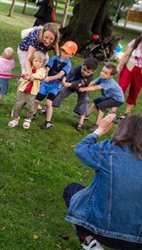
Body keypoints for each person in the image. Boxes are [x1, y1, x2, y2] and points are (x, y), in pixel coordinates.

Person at [63, 113, 142, 249]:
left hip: (99, 229)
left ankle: (89, 241)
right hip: (137, 240)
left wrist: (100, 130)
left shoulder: (109, 149)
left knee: (72, 190)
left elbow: (81, 150)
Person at [34, 41, 77, 130]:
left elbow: (60, 74)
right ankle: (32, 114)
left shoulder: (68, 64)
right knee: (36, 101)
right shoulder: (54, 58)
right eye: (63, 51)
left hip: (54, 86)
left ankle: (48, 122)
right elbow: (48, 67)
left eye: (67, 53)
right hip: (45, 84)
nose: (63, 54)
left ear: (71, 55)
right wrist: (45, 75)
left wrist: (50, 78)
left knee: (48, 103)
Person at [53, 58, 98, 132]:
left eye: (88, 72)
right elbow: (71, 73)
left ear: (93, 72)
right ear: (83, 64)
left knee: (85, 100)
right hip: (70, 84)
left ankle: (80, 122)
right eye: (84, 69)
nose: (85, 73)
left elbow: (80, 83)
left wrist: (70, 84)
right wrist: (65, 79)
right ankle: (48, 108)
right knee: (61, 92)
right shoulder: (78, 68)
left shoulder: (89, 77)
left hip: (82, 88)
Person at [79, 64, 125, 132]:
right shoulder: (102, 77)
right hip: (110, 97)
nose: (102, 73)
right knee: (96, 101)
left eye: (105, 73)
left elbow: (95, 88)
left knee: (102, 105)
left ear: (111, 76)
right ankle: (85, 115)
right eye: (102, 71)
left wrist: (84, 89)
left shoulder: (110, 82)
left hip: (118, 99)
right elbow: (93, 83)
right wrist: (85, 86)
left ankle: (97, 125)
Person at [8, 51, 46, 129]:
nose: (38, 63)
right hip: (22, 90)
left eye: (40, 62)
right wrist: (26, 76)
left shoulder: (42, 70)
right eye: (36, 61)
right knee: (18, 104)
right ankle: (15, 119)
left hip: (32, 92)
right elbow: (23, 76)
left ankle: (27, 119)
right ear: (32, 60)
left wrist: (31, 76)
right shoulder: (28, 68)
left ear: (42, 63)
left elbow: (40, 76)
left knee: (30, 106)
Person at [116, 34, 142, 115]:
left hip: (140, 71)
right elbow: (126, 55)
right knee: (121, 87)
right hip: (129, 67)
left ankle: (127, 112)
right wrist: (119, 66)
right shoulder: (135, 42)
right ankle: (114, 109)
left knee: (135, 91)